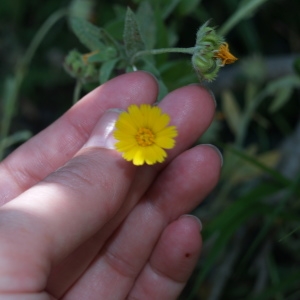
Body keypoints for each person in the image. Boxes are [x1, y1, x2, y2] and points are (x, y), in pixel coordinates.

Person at [0, 71, 222, 300]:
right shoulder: (132, 135)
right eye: (144, 136)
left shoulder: (157, 134)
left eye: (146, 136)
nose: (145, 137)